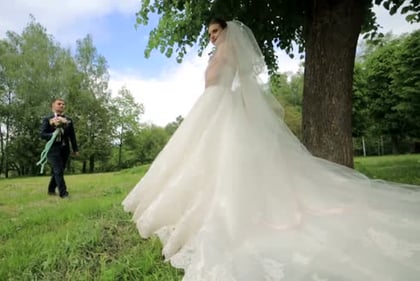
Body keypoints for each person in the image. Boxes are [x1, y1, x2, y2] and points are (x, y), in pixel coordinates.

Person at [122, 18, 420, 280]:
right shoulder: (214, 54)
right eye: (209, 33)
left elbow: (244, 79)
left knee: (224, 159)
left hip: (225, 108)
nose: (212, 36)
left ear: (226, 30)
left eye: (215, 31)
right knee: (193, 158)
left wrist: (246, 105)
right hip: (207, 109)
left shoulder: (230, 50)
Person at [40, 98, 79, 198]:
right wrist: (53, 135)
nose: (62, 105)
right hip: (52, 149)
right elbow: (42, 134)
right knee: (58, 170)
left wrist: (75, 149)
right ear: (52, 105)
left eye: (63, 104)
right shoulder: (47, 119)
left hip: (65, 149)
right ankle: (64, 193)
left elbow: (72, 136)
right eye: (59, 104)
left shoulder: (68, 120)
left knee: (59, 170)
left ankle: (51, 189)